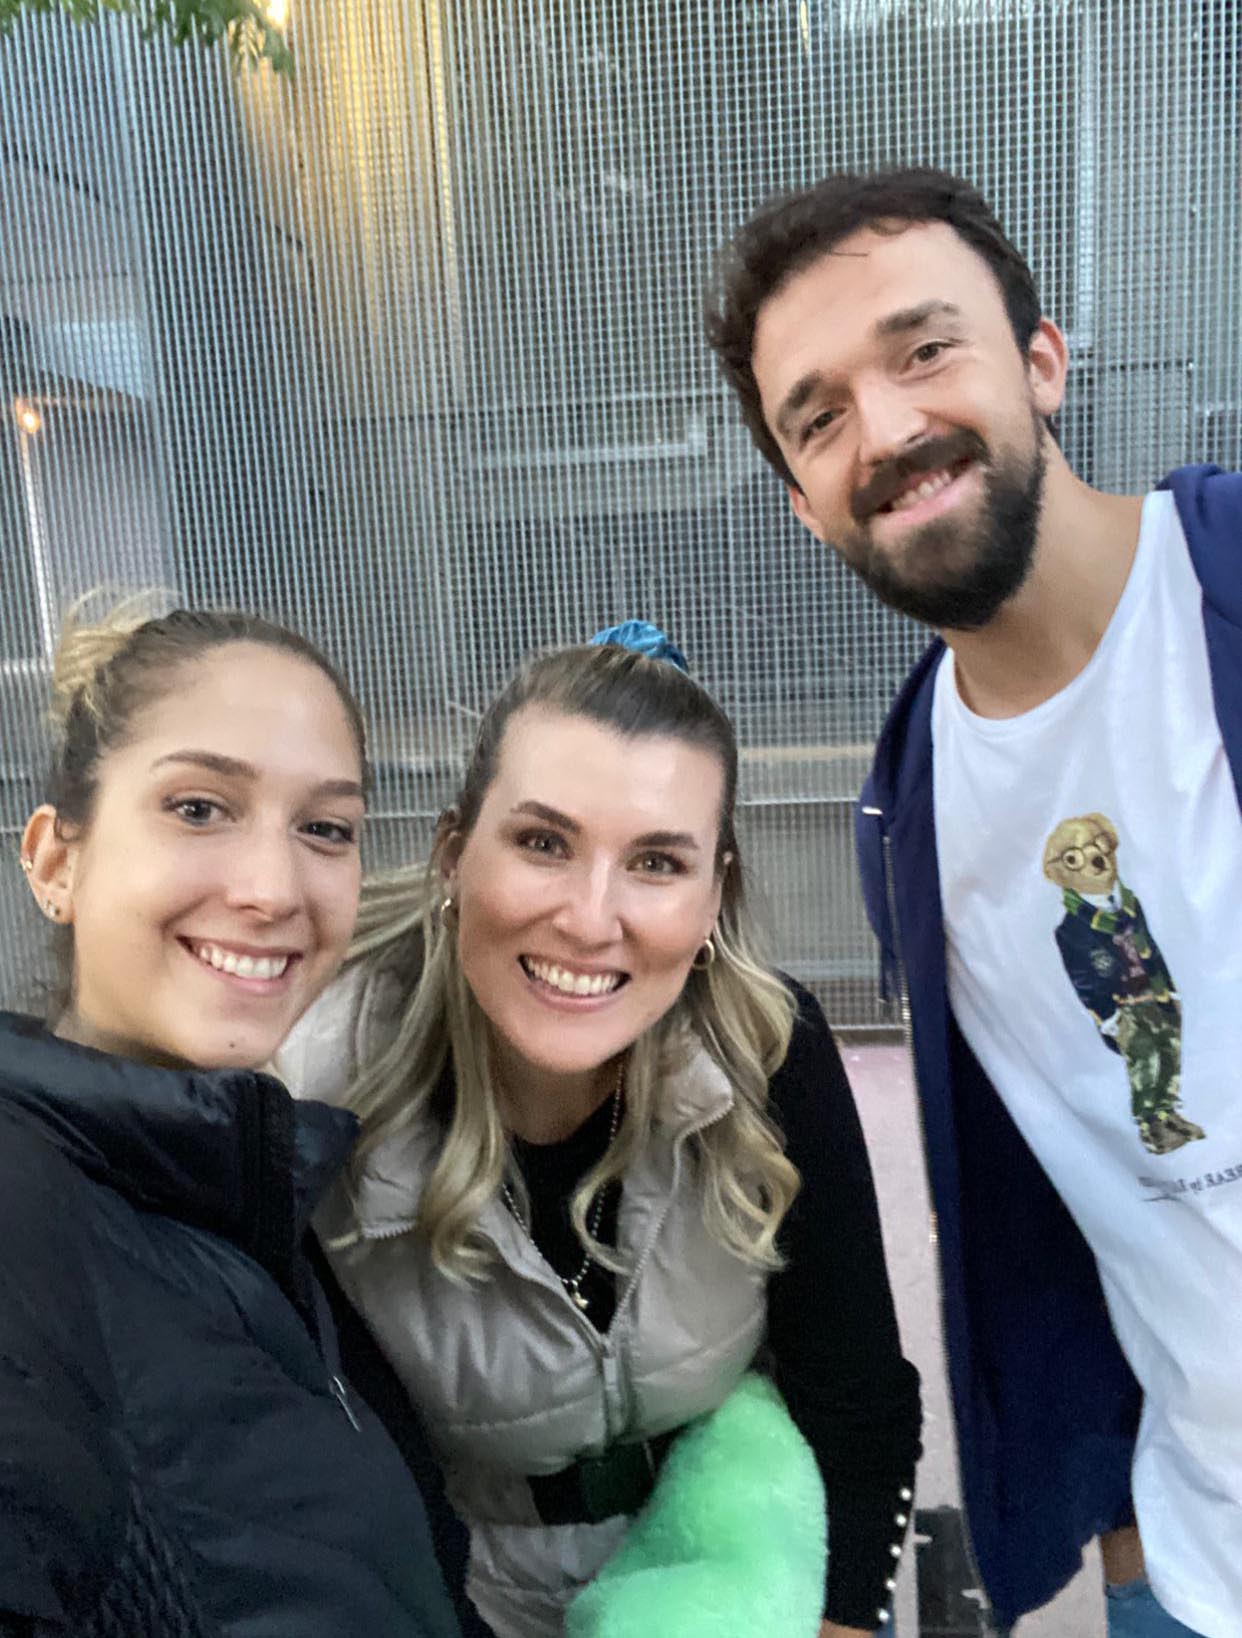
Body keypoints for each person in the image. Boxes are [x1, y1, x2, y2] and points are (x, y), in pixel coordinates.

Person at [704, 164, 1242, 1638]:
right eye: (817, 416)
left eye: (924, 348)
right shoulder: (912, 817)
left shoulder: (1221, 592)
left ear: (1041, 361)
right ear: (803, 505)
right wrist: (1126, 1544)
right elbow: (1065, 1206)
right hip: (1194, 1571)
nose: (885, 430)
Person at [280, 624, 922, 1638]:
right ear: (453, 852)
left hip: (735, 1561)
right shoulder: (316, 1089)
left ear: (713, 898)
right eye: (544, 843)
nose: (590, 919)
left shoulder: (767, 1047)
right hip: (449, 1583)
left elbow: (858, 1402)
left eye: (657, 862)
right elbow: (329, 1473)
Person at [0, 597, 477, 1638]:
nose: (272, 890)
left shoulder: (236, 1192)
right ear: (55, 862)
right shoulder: (25, 1229)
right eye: (198, 808)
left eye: (325, 829)